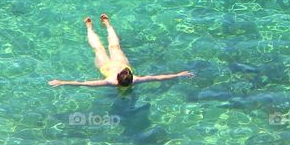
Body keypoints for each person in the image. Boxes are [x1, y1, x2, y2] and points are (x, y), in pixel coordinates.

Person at [48, 14, 194, 87]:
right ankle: (106, 24)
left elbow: (85, 83)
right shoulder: (134, 79)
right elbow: (158, 77)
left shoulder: (110, 81)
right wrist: (178, 74)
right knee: (114, 47)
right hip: (119, 62)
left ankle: (90, 28)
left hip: (105, 67)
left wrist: (62, 82)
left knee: (98, 49)